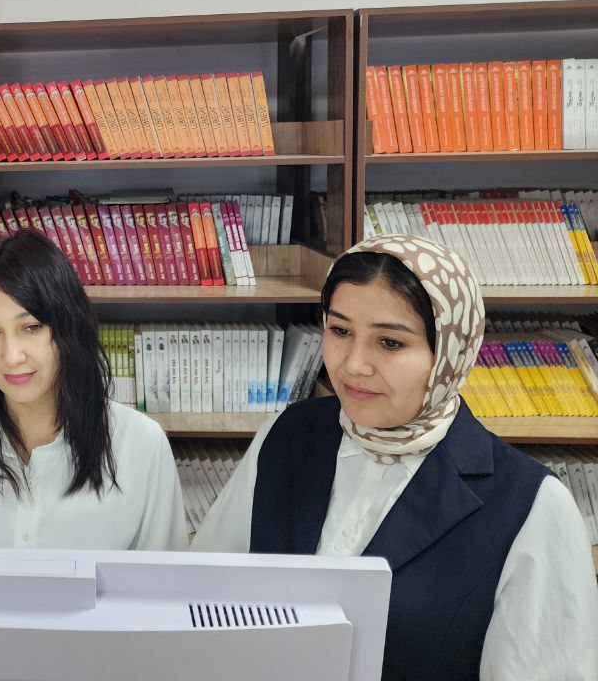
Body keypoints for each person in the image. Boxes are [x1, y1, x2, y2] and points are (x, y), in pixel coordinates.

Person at [192, 234, 598, 681]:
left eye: (389, 343)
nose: (353, 365)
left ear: (449, 355)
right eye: (340, 331)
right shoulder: (286, 436)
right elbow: (204, 601)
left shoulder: (531, 507)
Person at [0, 229, 187, 551]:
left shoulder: (142, 444)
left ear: (69, 326)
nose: (11, 357)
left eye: (31, 327)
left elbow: (161, 579)